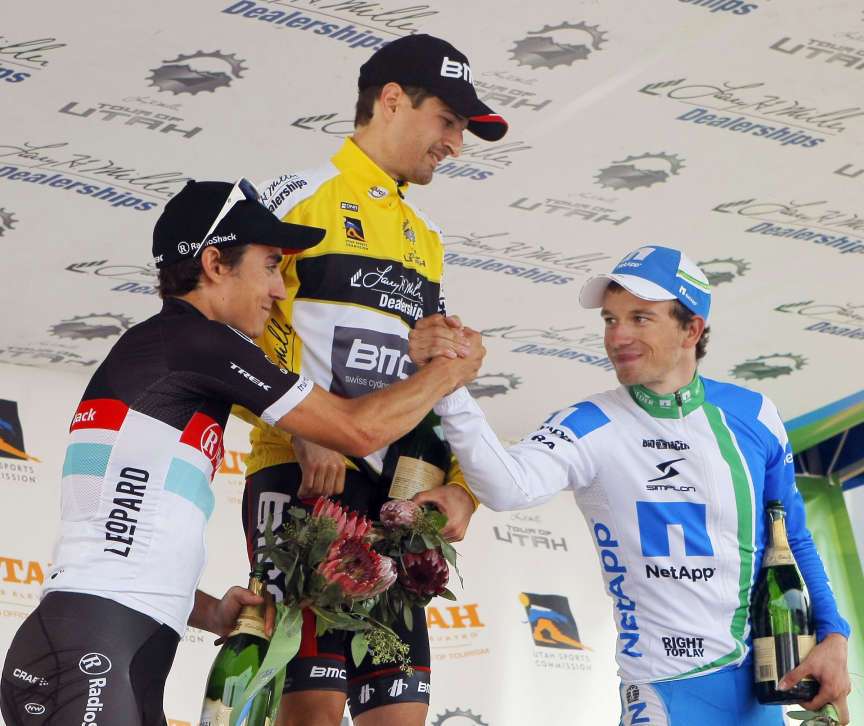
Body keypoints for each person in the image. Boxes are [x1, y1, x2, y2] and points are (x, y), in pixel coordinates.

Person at [0, 179, 483, 726]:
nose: (281, 291)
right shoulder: (194, 342)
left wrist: (208, 610)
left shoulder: (169, 357)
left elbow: (114, 530)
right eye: (271, 265)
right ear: (214, 264)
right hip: (94, 649)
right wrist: (448, 373)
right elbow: (357, 431)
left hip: (104, 643)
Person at [412, 245, 852, 725]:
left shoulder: (754, 415)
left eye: (640, 318)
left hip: (758, 693)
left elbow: (792, 537)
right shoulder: (590, 422)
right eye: (610, 320)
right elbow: (508, 487)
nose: (618, 335)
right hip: (662, 694)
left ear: (692, 329)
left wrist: (834, 634)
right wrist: (450, 390)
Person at [238, 32, 508, 726]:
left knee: (400, 717)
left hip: (397, 499)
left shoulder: (426, 235)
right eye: (448, 122)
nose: (455, 143)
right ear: (391, 101)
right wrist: (303, 427)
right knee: (313, 712)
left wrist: (462, 488)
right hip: (305, 483)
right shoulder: (297, 198)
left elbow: (431, 381)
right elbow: (230, 336)